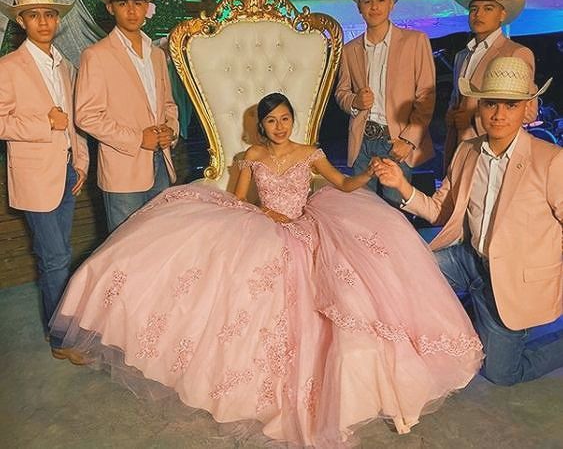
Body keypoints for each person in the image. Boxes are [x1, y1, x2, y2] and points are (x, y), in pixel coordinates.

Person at [52, 92, 481, 446]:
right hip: (267, 225)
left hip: (309, 223)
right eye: (271, 120)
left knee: (345, 286)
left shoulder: (310, 154)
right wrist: (265, 217)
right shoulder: (250, 156)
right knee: (231, 282)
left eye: (285, 119)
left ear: (294, 120)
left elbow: (344, 185)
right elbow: (239, 202)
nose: (279, 126)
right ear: (261, 126)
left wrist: (367, 171)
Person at [372, 57, 562, 386]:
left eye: (510, 104)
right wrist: (401, 186)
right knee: (407, 269)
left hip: (514, 281)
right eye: (491, 103)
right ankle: (446, 334)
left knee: (502, 374)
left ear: (525, 108)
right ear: (479, 105)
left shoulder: (551, 160)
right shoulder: (467, 151)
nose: (499, 114)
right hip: (469, 260)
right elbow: (441, 210)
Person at [0, 0, 89, 364]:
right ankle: (59, 337)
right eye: (33, 15)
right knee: (53, 257)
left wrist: (81, 160)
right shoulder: (9, 66)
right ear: (21, 21)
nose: (43, 22)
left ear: (57, 19)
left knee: (62, 252)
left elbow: (71, 122)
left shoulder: (65, 65)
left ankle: (63, 323)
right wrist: (43, 124)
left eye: (49, 14)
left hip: (67, 170)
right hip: (34, 177)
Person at [75, 0, 178, 233]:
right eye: (122, 3)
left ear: (147, 7)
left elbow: (168, 105)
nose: (131, 10)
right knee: (124, 250)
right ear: (111, 8)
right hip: (123, 173)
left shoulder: (156, 55)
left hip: (161, 164)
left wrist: (171, 130)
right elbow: (86, 115)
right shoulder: (96, 55)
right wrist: (136, 138)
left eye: (138, 2)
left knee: (160, 241)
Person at [335, 0, 435, 206]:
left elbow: (426, 96)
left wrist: (409, 141)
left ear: (392, 4)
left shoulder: (415, 41)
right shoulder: (350, 50)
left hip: (395, 140)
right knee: (363, 209)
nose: (374, 7)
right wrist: (355, 103)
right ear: (359, 7)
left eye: (381, 0)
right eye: (367, 1)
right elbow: (341, 93)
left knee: (395, 210)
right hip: (362, 140)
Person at [444, 0, 537, 170]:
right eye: (474, 9)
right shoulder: (462, 55)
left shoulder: (515, 52)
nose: (479, 15)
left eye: (488, 8)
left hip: (493, 155)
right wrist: (451, 115)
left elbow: (528, 112)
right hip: (458, 151)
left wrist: (472, 117)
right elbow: (456, 99)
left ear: (502, 14)